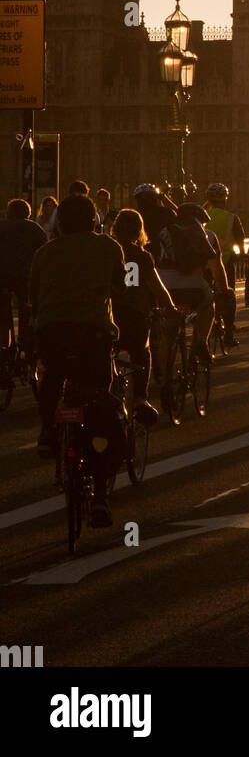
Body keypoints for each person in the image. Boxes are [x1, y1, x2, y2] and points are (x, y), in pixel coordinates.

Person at [29, 194, 126, 526]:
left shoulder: (44, 252)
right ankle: (100, 495)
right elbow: (123, 287)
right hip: (93, 334)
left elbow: (33, 296)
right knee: (100, 402)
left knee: (53, 374)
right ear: (94, 222)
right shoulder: (109, 247)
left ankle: (47, 431)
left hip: (52, 332)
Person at [110, 207, 176, 417]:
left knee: (107, 354)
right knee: (141, 352)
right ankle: (140, 398)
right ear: (139, 230)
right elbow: (157, 287)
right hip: (135, 314)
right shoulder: (142, 256)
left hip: (110, 314)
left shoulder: (108, 251)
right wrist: (170, 307)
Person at [156, 202, 223, 362]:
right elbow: (217, 268)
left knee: (167, 335)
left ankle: (165, 378)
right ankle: (201, 342)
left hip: (167, 289)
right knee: (208, 306)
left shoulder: (163, 233)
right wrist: (223, 289)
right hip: (195, 288)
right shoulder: (209, 235)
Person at [0, 198, 47, 370]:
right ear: (28, 214)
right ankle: (26, 347)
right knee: (27, 308)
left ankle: (4, 348)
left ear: (8, 212)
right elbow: (45, 252)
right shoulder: (33, 228)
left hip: (2, 277)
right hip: (25, 278)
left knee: (3, 312)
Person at [203, 183, 244, 344]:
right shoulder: (232, 218)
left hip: (204, 266)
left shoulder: (202, 217)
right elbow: (241, 243)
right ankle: (229, 331)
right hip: (224, 264)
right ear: (225, 200)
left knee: (205, 299)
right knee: (229, 297)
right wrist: (238, 256)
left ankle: (203, 334)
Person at [132, 183, 178, 250]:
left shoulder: (134, 214)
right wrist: (164, 198)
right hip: (161, 248)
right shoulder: (166, 212)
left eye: (148, 197)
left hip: (147, 248)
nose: (146, 200)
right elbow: (180, 215)